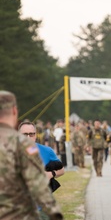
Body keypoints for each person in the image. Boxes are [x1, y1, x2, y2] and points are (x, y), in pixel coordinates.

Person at [0, 90, 63, 219]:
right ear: (14, 112)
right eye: (25, 134)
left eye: (31, 134)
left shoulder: (45, 151)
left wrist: (50, 174)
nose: (28, 137)